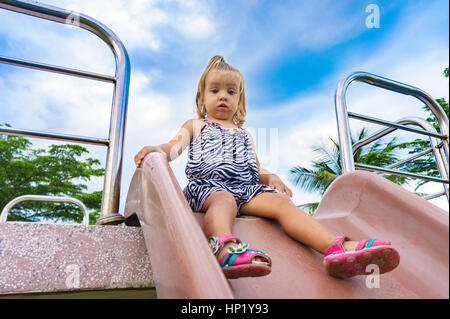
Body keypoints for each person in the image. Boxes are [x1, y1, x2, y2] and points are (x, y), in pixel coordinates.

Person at [134, 55, 400, 280]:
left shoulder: (244, 134)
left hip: (246, 189)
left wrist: (270, 176)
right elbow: (174, 147)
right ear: (202, 97)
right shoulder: (195, 125)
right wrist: (159, 150)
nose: (223, 97)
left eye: (231, 91)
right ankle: (225, 248)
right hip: (209, 188)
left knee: (281, 204)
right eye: (215, 91)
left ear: (240, 99)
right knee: (224, 200)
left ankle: (335, 249)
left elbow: (253, 170)